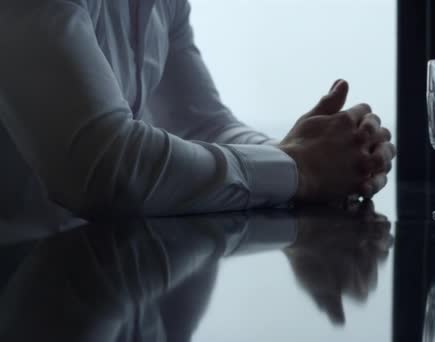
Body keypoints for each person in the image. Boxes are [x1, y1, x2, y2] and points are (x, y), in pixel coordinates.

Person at [0, 0, 395, 220]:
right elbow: (106, 168)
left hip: (94, 278)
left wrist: (319, 158)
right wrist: (299, 168)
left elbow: (203, 123)